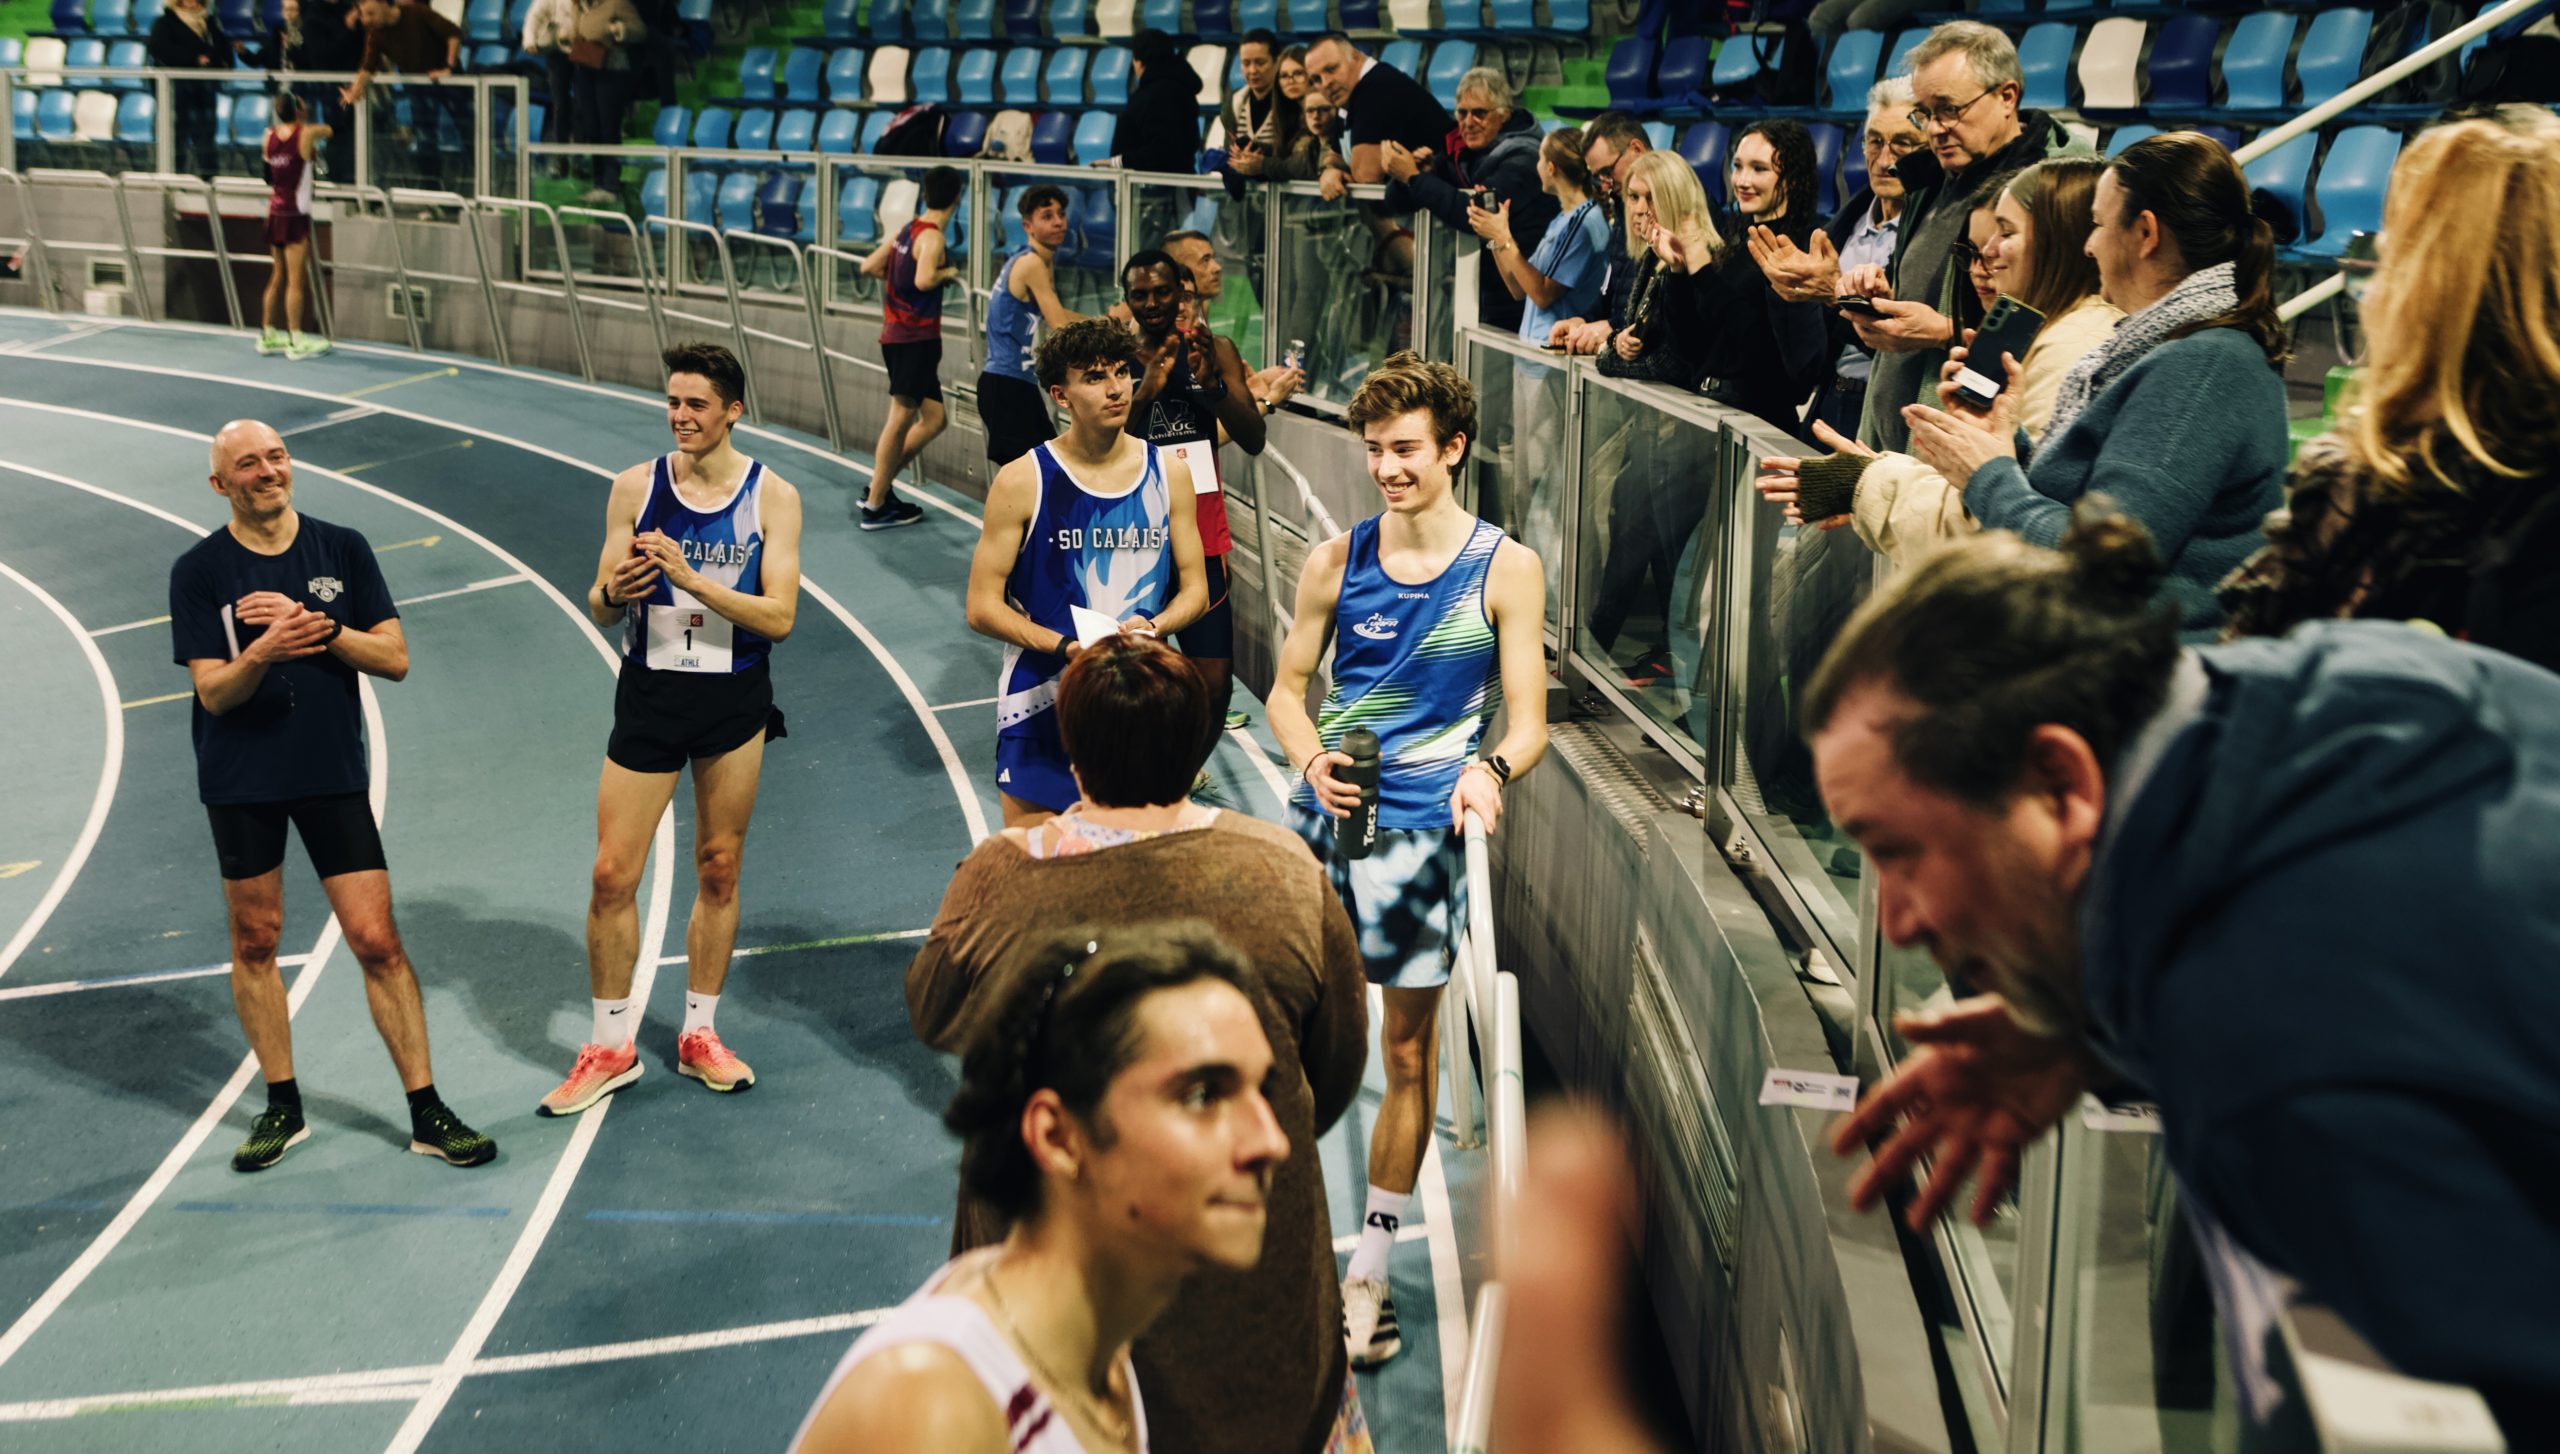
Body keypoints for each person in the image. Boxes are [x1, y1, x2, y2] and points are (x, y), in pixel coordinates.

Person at [1809, 507, 2560, 1445]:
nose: (1897, 918)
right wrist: (2091, 1024)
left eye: (1899, 850)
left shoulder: (2280, 1060)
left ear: (2060, 783)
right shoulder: (2330, 689)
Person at [907, 636, 1372, 1454]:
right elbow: (1331, 1071)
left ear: (1073, 758)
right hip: (1267, 1356)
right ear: (1195, 749)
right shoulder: (1283, 869)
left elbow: (933, 1012)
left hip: (1058, 1364)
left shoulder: (998, 877)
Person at [1268, 353, 1548, 1368]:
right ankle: (1284, 1254)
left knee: (1406, 1055)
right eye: (1375, 450)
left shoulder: (1504, 567)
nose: (1386, 467)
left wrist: (1490, 770)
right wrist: (1306, 755)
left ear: (1453, 449)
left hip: (1425, 838)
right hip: (1323, 826)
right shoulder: (1334, 562)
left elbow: (1530, 721)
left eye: (1405, 450)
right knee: (1291, 1050)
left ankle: (1368, 1277)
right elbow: (1285, 687)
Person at [793, 923, 1294, 1454]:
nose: (1271, 1142)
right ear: (1057, 1137)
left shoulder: (1099, 1347)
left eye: (1262, 1090)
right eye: (1201, 1095)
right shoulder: (931, 1409)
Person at [170, 420, 496, 1174]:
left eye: (276, 456)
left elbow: (396, 658)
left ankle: (426, 1110)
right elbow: (214, 693)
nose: (267, 471)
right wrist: (261, 650)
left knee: (377, 941)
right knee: (256, 941)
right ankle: (282, 1105)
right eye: (247, 464)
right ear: (221, 484)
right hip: (240, 778)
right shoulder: (199, 571)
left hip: (332, 773)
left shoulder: (341, 547)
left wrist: (316, 630)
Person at [539, 343, 803, 1115]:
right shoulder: (634, 487)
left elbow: (780, 617)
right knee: (611, 875)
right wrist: (611, 590)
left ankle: (699, 1033)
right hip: (651, 695)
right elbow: (598, 601)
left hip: (733, 698)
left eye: (697, 404)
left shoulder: (773, 498)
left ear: (733, 411)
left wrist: (694, 581)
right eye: (673, 402)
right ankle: (611, 1045)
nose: (681, 417)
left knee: (718, 866)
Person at [1897, 132, 2288, 638]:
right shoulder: (2170, 350)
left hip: (2157, 676)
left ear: (2146, 234)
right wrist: (2004, 437)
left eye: (2099, 225)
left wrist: (1988, 475)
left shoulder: (2204, 367)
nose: (2088, 244)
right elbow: (2088, 500)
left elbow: (2102, 566)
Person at [2220, 113, 2560, 673]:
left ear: (2422, 288)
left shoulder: (2368, 490)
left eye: (2385, 251)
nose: (2367, 290)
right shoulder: (2360, 471)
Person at [1760, 156, 2120, 568]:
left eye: (2006, 232)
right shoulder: (2041, 335)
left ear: (2059, 241)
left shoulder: (2071, 351)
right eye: (1973, 247)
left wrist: (1866, 483)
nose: (1987, 253)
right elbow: (1980, 488)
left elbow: (1996, 526)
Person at [964, 317, 1209, 828]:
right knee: (1037, 876)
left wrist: (1156, 626)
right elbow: (982, 607)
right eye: (1095, 377)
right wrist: (1063, 647)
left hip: (1137, 702)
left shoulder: (1171, 473)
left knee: (1131, 883)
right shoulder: (1022, 480)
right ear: (1061, 395)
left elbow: (1196, 592)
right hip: (1040, 702)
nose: (1117, 387)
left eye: (1122, 371)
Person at [1833, 22, 2081, 451]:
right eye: (1925, 113)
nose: (1933, 130)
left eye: (1949, 109)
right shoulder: (1931, 177)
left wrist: (1945, 331)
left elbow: (2062, 333)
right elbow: (1924, 289)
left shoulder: (2059, 194)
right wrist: (1879, 289)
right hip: (1891, 444)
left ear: (2007, 96)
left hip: (1969, 453)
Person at [1121, 250, 1267, 742]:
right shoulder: (1115, 359)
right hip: (1130, 544)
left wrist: (1213, 387)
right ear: (1126, 301)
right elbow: (1091, 446)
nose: (1154, 302)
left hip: (1202, 543)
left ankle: (1176, 779)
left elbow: (1253, 437)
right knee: (1137, 682)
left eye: (1164, 291)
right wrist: (1146, 392)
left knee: (1214, 686)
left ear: (1183, 294)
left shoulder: (1215, 349)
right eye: (1140, 294)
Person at [1754, 78, 1923, 439]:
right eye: (1875, 141)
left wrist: (1835, 294)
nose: (1885, 160)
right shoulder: (1841, 229)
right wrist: (1791, 293)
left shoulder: (1927, 236)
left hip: (1891, 416)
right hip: (1829, 404)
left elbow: (1902, 344)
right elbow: (1807, 366)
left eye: (1903, 144)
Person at [1469, 124, 1606, 551]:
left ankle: (1555, 585)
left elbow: (1544, 292)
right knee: (1528, 480)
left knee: (1551, 480)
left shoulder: (1587, 221)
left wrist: (1505, 238)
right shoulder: (1560, 218)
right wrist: (1498, 241)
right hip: (1529, 359)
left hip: (1554, 366)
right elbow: (1519, 289)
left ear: (1549, 166)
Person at [1380, 66, 1554, 334]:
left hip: (1522, 299)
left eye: (1479, 113)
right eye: (1462, 113)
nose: (1468, 122)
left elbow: (1473, 216)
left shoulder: (1525, 158)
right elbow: (1395, 203)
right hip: (1480, 296)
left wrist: (1415, 179)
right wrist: (1414, 175)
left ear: (1504, 114)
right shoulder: (1464, 153)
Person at [855, 163, 960, 530]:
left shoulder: (906, 230)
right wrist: (948, 273)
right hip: (915, 340)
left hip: (898, 336)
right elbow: (925, 277)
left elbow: (869, 266)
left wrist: (896, 279)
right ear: (957, 197)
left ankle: (879, 486)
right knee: (900, 418)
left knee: (934, 420)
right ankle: (875, 504)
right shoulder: (932, 237)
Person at [977, 184, 1089, 469]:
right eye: (1047, 215)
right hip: (1006, 386)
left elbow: (1057, 311)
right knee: (1041, 477)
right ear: (1028, 225)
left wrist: (1104, 321)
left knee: (1039, 479)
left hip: (1014, 385)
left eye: (1061, 214)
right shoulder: (1031, 264)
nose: (1058, 221)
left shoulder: (1035, 260)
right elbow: (1060, 326)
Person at [1160, 230, 1306, 415]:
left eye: (1214, 258)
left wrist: (1250, 386)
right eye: (1205, 260)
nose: (1217, 267)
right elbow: (1196, 426)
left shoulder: (1198, 311)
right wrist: (1270, 400)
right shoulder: (1155, 333)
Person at [1545, 111, 1649, 356]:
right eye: (1597, 177)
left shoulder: (1682, 207)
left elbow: (1664, 312)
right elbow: (1613, 289)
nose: (1604, 184)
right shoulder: (1622, 204)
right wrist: (1583, 321)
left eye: (1607, 171)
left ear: (1636, 149)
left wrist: (1612, 329)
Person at [1305, 31, 1456, 195]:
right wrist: (1329, 170)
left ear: (1355, 56)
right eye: (1316, 79)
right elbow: (1336, 155)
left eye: (1331, 69)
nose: (1326, 83)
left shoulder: (1377, 87)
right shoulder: (1346, 99)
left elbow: (1367, 177)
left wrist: (1342, 173)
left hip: (1449, 204)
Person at [341, 1, 466, 190]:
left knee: (468, 130)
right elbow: (367, 67)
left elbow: (453, 33)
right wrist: (354, 90)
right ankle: (433, 196)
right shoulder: (376, 32)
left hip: (448, 83)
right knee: (425, 141)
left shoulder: (415, 12)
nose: (366, 20)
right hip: (418, 88)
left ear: (384, 4)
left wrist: (448, 67)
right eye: (363, 15)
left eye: (371, 13)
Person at [257, 91, 335, 361]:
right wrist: (307, 121)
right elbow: (329, 130)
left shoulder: (268, 137)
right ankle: (296, 339)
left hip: (275, 211)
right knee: (296, 280)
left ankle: (268, 334)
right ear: (299, 110)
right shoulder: (306, 134)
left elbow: (268, 175)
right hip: (295, 214)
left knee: (277, 275)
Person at [566, 0, 646, 203]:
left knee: (608, 127)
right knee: (591, 127)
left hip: (610, 70)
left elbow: (639, 30)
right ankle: (598, 181)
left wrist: (621, 29)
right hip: (585, 67)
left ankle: (611, 184)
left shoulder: (616, 3)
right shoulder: (579, 6)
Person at [149, 0, 235, 179]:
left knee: (205, 138)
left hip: (205, 89)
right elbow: (161, 49)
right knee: (177, 138)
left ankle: (208, 180)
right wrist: (195, 58)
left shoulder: (210, 23)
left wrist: (212, 60)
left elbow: (222, 51)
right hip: (177, 91)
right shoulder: (165, 23)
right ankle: (175, 178)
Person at [1115, 28, 1202, 176]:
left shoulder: (1148, 96)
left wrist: (1118, 161)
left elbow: (1158, 151)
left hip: (1149, 187)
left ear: (1139, 61)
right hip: (1182, 183)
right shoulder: (1183, 88)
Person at [521, 0, 576, 177]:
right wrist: (530, 41)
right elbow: (534, 17)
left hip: (583, 50)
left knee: (585, 106)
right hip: (557, 53)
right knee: (560, 106)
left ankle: (579, 158)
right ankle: (561, 158)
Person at [1224, 27, 1284, 158]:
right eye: (1246, 63)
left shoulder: (1290, 101)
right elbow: (1229, 150)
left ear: (1277, 62)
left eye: (1260, 62)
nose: (1252, 70)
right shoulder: (1235, 101)